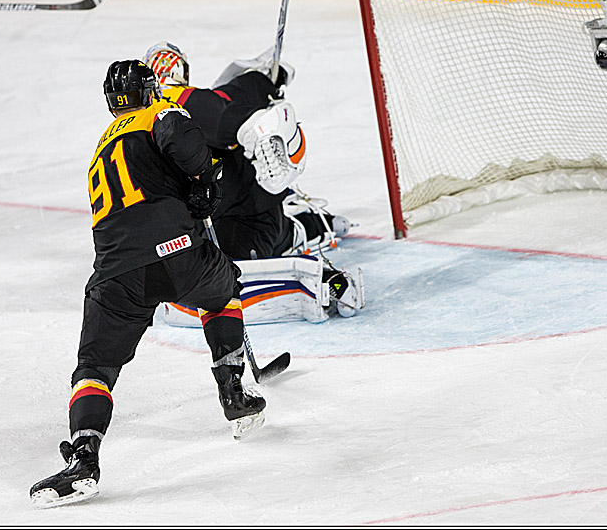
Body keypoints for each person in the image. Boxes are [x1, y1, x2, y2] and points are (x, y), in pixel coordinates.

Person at [30, 60, 267, 508]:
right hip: (179, 254)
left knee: (95, 368)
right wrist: (203, 181)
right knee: (223, 292)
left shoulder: (101, 149)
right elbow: (183, 141)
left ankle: (83, 458)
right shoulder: (158, 114)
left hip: (116, 273)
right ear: (150, 89)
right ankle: (233, 392)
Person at [143, 41, 363, 317]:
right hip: (236, 214)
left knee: (227, 271)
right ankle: (305, 224)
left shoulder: (166, 108)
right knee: (260, 237)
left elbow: (233, 116)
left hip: (239, 220)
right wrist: (262, 81)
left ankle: (316, 262)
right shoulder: (185, 105)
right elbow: (227, 103)